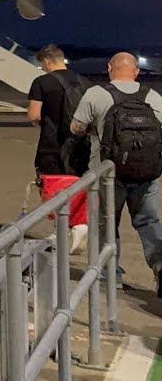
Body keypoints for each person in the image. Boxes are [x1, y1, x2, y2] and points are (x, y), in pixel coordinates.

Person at [71, 52, 162, 294]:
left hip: (107, 173)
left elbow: (76, 127)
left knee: (106, 223)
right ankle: (160, 263)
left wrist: (93, 128)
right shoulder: (152, 96)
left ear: (110, 68)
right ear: (136, 71)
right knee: (148, 221)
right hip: (146, 174)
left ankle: (111, 276)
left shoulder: (96, 94)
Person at [28, 44, 90, 175]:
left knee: (53, 187)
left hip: (52, 146)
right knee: (78, 187)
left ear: (47, 61)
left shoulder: (41, 81)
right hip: (79, 145)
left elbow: (33, 115)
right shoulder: (83, 82)